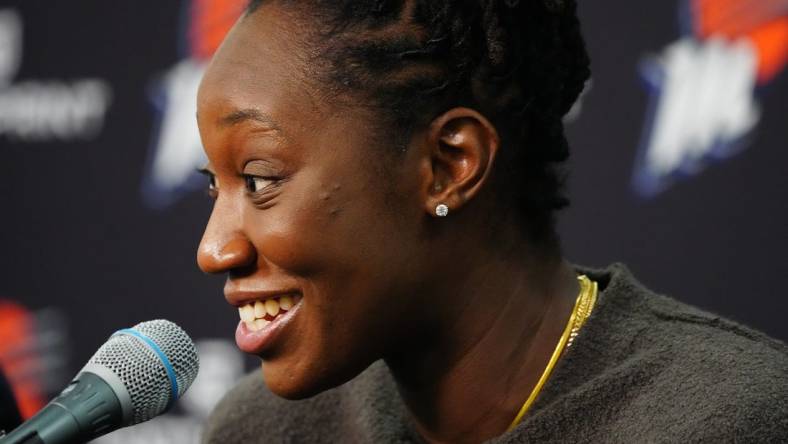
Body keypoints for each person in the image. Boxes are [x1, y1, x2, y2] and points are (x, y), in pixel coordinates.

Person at [194, 1, 788, 442]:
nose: (214, 249)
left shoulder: (732, 420)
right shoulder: (262, 433)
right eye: (212, 185)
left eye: (260, 180)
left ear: (448, 166)